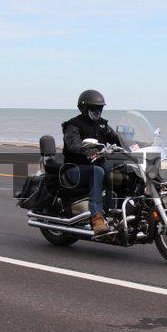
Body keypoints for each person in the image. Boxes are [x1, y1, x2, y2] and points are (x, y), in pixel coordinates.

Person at [62, 90, 120, 235]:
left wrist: (136, 144)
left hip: (96, 164)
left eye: (100, 108)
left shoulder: (102, 124)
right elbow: (73, 144)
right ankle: (97, 218)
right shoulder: (73, 125)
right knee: (97, 171)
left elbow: (116, 139)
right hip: (75, 168)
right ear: (84, 108)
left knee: (121, 169)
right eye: (94, 108)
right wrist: (85, 150)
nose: (97, 111)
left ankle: (116, 210)